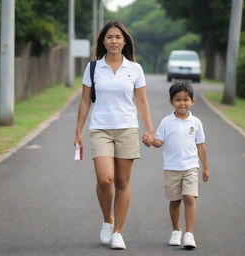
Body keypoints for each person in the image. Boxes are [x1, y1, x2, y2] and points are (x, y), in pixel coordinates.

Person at [74, 21, 154, 250]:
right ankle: (107, 220)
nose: (114, 41)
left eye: (118, 37)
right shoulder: (93, 68)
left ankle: (118, 231)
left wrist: (149, 129)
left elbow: (142, 101)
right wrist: (78, 130)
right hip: (100, 129)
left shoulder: (135, 69)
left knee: (122, 181)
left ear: (125, 41)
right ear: (103, 41)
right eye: (109, 37)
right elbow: (85, 100)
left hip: (127, 129)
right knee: (105, 179)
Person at [143, 81, 209, 249]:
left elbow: (201, 146)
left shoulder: (196, 122)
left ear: (192, 101)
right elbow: (159, 142)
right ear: (171, 102)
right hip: (171, 168)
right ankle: (176, 230)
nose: (182, 103)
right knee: (174, 201)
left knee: (189, 198)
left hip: (191, 167)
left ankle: (189, 234)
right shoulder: (166, 122)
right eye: (178, 100)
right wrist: (150, 142)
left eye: (186, 99)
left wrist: (205, 168)